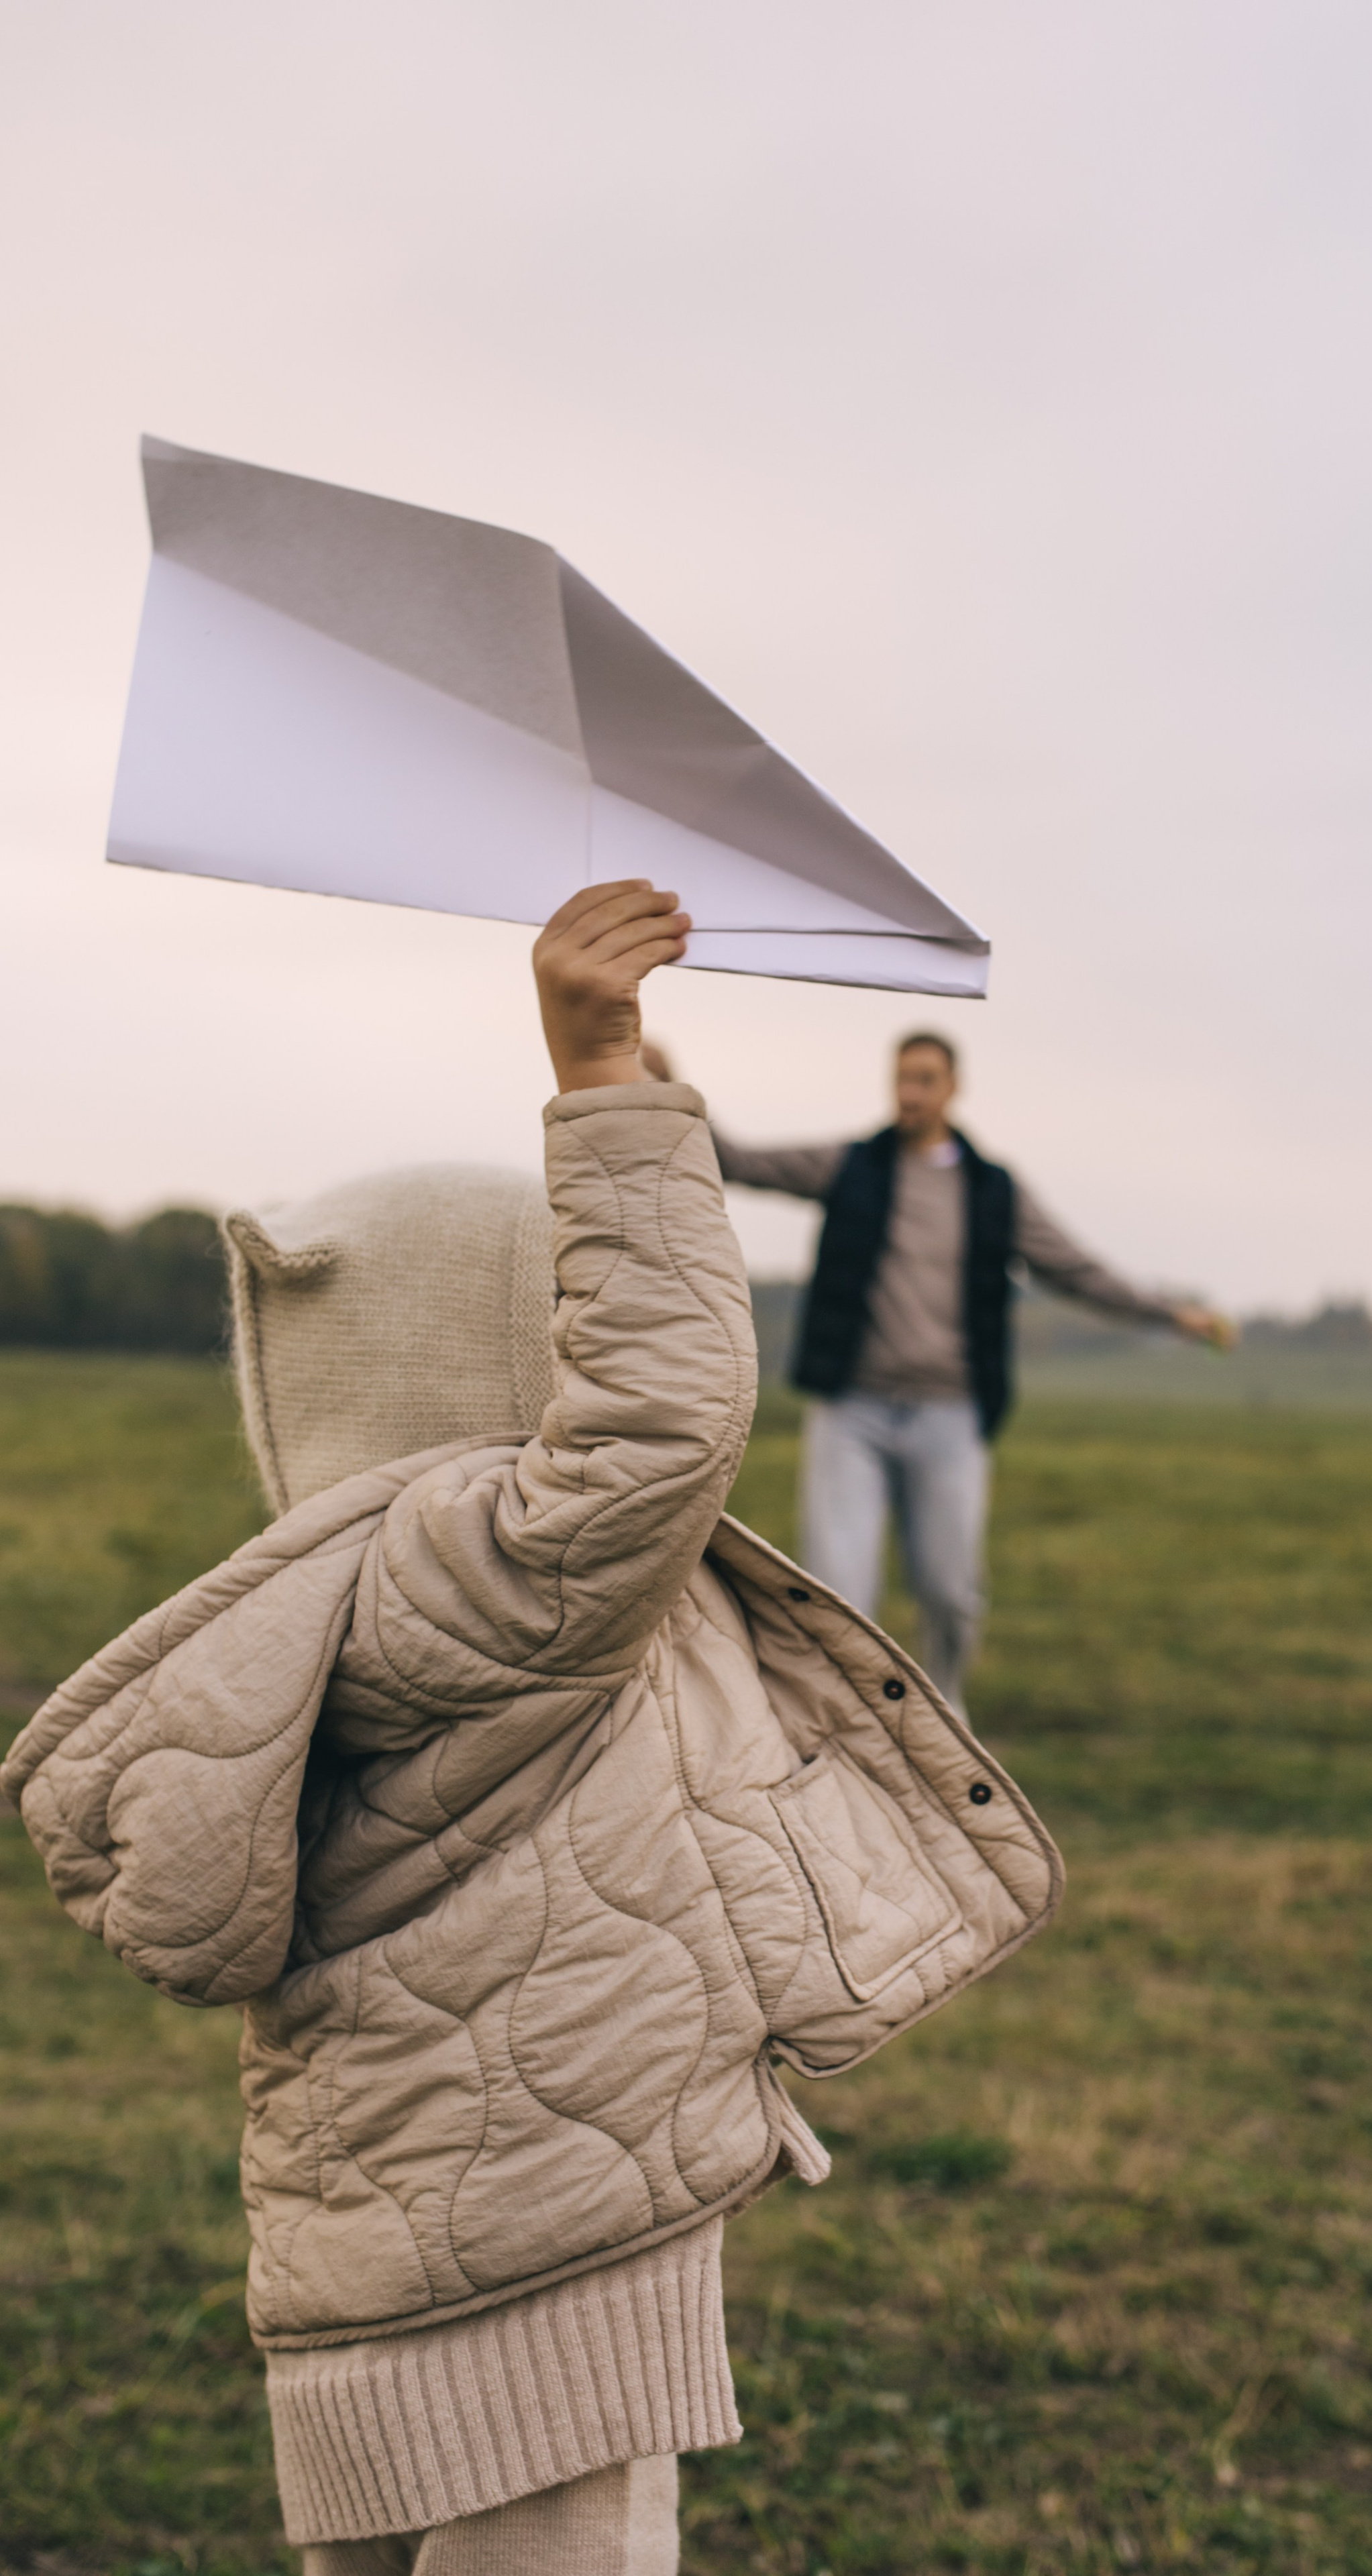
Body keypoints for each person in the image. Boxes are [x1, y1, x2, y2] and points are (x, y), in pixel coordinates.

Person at [2, 884, 1061, 2576]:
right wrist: (603, 1079)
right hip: (544, 2255)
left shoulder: (343, 1605)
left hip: (378, 2260)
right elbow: (666, 1409)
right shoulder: (490, 1573)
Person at [701, 1031, 1234, 1710]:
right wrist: (667, 1085)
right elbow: (740, 1161)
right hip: (852, 1411)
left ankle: (946, 1714)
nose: (910, 1093)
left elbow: (1075, 1270)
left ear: (954, 1089)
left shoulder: (992, 1191)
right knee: (838, 1587)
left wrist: (1169, 1315)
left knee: (950, 1592)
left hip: (948, 1416)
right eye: (901, 1079)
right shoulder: (852, 1166)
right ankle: (839, 1727)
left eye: (925, 1080)